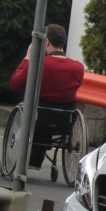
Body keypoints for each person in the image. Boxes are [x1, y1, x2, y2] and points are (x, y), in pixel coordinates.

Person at [9, 24, 84, 170]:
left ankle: (30, 158)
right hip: (64, 118)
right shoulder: (78, 67)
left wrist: (28, 57)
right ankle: (37, 158)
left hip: (37, 116)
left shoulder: (39, 64)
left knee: (34, 106)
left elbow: (15, 83)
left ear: (47, 42)